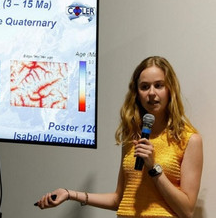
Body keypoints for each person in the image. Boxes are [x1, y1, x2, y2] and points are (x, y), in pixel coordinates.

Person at [35, 56, 203, 218]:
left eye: (159, 85)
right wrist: (70, 194)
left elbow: (186, 211)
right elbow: (119, 199)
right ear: (137, 93)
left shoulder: (188, 139)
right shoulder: (132, 137)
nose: (151, 93)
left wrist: (154, 168)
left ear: (170, 89)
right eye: (144, 87)